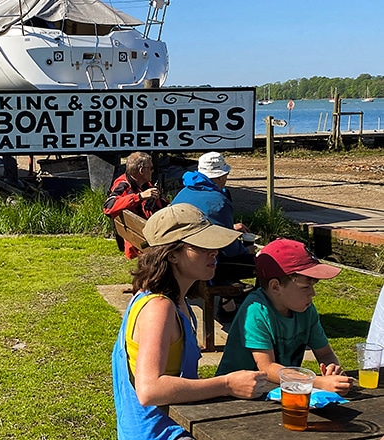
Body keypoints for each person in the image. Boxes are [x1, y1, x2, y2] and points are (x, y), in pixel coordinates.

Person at [112, 203, 268, 440]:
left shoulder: (173, 301)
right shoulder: (159, 308)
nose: (214, 251)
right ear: (172, 254)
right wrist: (227, 384)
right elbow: (149, 390)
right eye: (202, 245)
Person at [215, 238, 354, 395]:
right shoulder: (255, 310)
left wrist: (332, 371)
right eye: (306, 287)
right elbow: (267, 367)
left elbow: (325, 353)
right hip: (234, 395)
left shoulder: (306, 310)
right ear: (275, 286)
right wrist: (316, 382)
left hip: (278, 391)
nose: (312, 294)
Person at [170, 151, 256, 319]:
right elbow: (230, 249)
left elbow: (200, 223)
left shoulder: (184, 192)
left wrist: (228, 227)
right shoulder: (219, 200)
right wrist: (248, 250)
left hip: (180, 254)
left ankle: (228, 305)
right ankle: (245, 307)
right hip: (201, 262)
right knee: (253, 262)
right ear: (221, 176)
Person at [104, 152, 168, 259]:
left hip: (147, 235)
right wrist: (139, 197)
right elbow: (108, 206)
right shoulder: (124, 185)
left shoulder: (145, 184)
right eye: (151, 168)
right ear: (142, 171)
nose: (153, 171)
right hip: (144, 242)